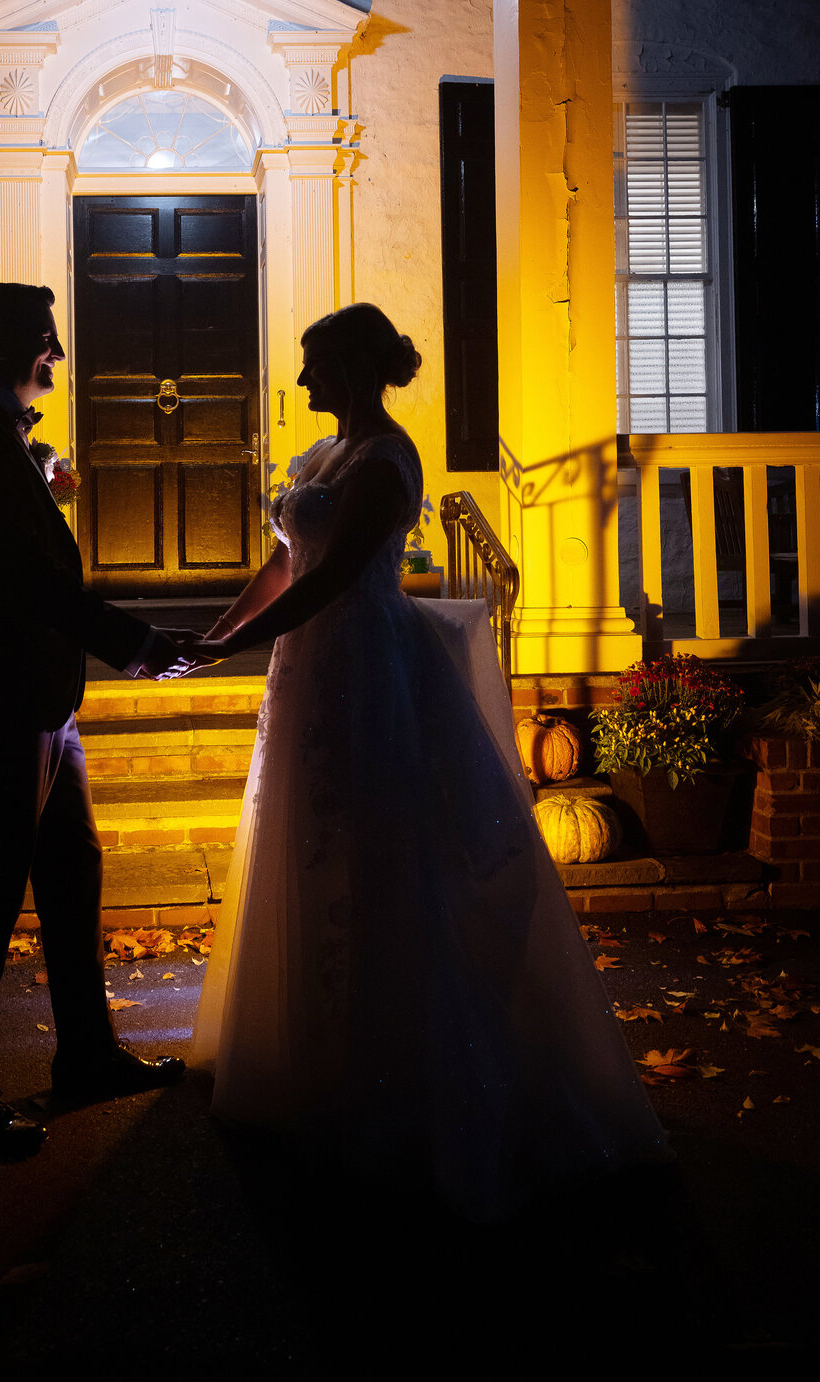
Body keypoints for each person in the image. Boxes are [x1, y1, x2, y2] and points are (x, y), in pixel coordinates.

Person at [182, 303, 668, 1221]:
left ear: (355, 368)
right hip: (308, 672)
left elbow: (333, 578)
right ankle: (317, 1057)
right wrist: (217, 636)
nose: (302, 380)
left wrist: (240, 647)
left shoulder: (386, 461)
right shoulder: (319, 460)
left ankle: (399, 1077)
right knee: (309, 842)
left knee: (384, 863)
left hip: (365, 668)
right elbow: (286, 565)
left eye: (314, 363)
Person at [0, 283, 187, 1159]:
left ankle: (87, 1053)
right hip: (5, 703)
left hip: (43, 702)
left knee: (72, 877)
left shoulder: (0, 442)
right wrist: (137, 643)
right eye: (44, 339)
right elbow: (27, 583)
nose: (59, 356)